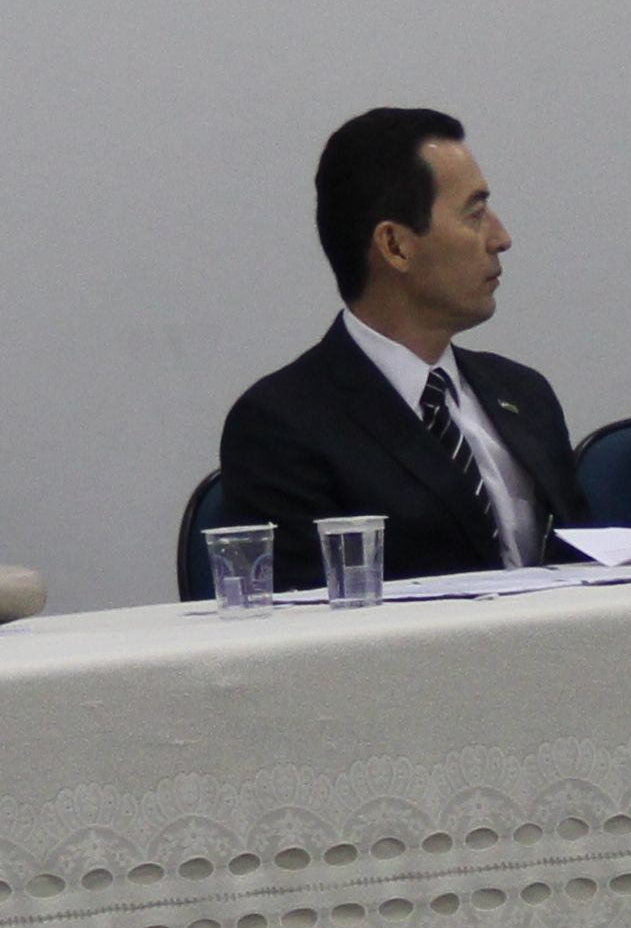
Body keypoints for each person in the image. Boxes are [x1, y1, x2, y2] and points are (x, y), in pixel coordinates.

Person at [208, 108, 588, 578]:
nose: (501, 238)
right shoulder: (283, 426)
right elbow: (308, 612)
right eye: (474, 215)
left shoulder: (524, 395)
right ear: (395, 246)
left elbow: (588, 563)